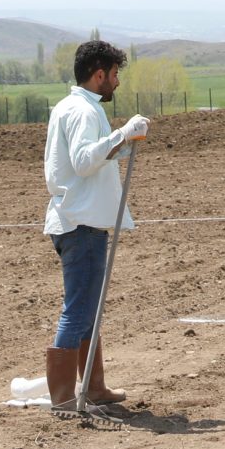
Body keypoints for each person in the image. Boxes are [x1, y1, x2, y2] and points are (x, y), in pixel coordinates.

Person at [41, 39, 151, 410]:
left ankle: (94, 387)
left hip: (78, 217)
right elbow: (85, 160)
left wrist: (123, 143)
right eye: (115, 74)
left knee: (88, 308)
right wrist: (122, 134)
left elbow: (87, 162)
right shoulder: (83, 112)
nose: (117, 82)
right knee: (78, 308)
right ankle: (63, 399)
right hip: (80, 221)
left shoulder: (72, 107)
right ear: (99, 74)